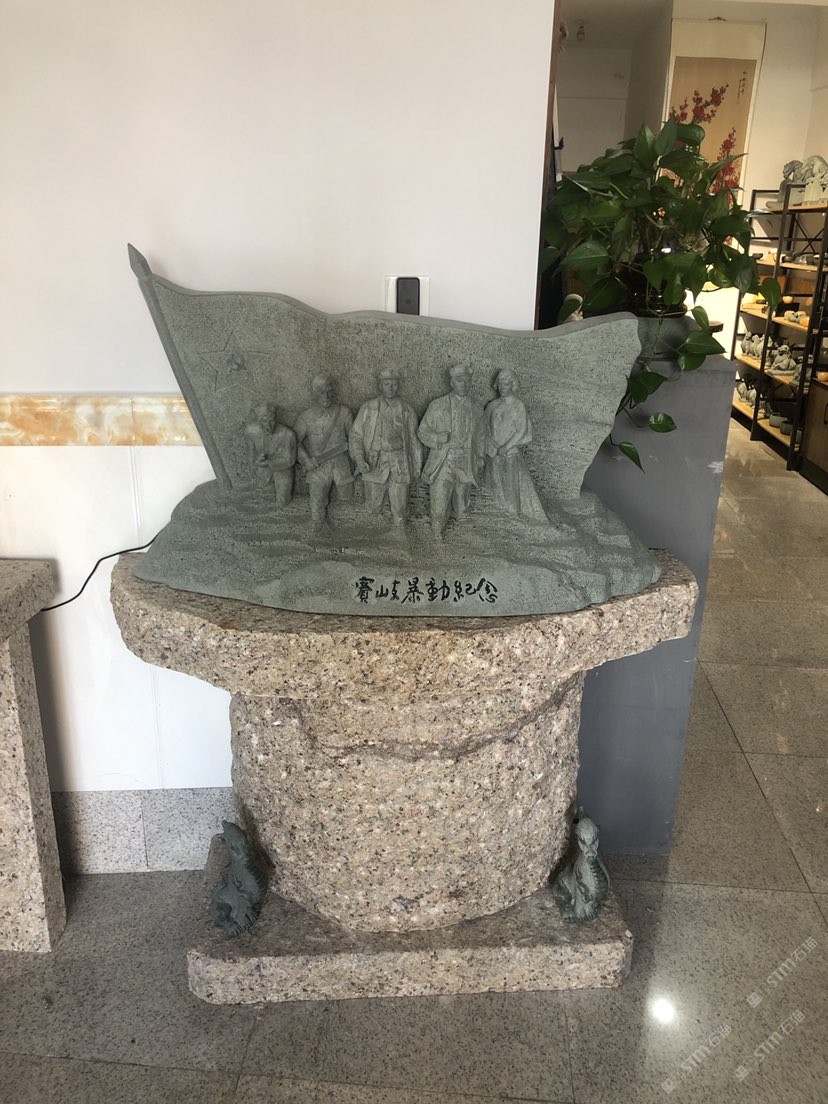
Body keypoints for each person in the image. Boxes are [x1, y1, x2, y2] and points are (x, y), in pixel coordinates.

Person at [417, 364, 487, 539]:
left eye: (467, 381)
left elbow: (481, 435)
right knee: (439, 502)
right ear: (452, 383)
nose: (464, 384)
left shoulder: (477, 409)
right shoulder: (437, 405)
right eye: (459, 380)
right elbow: (422, 431)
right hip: (443, 461)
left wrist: (480, 456)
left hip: (466, 461)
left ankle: (460, 540)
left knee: (462, 503)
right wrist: (436, 438)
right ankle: (437, 536)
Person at [350, 367, 422, 524]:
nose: (391, 388)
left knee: (400, 507)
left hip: (399, 462)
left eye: (394, 384)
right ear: (380, 386)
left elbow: (414, 441)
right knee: (373, 506)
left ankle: (399, 531)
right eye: (387, 384)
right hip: (375, 461)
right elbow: (356, 435)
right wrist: (359, 459)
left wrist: (417, 466)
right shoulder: (368, 408)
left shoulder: (406, 410)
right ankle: (375, 532)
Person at [483, 369, 547, 522]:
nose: (503, 387)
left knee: (511, 485)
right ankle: (496, 515)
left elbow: (521, 430)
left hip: (510, 453)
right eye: (500, 384)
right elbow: (483, 427)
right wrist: (491, 444)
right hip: (493, 452)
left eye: (506, 384)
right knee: (494, 484)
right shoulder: (492, 406)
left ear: (513, 385)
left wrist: (506, 447)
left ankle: (513, 514)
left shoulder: (518, 406)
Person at [293, 376, 354, 528]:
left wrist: (358, 460)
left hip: (341, 464)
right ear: (314, 393)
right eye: (321, 392)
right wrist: (305, 460)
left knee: (347, 495)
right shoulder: (306, 417)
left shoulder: (344, 413)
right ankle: (318, 525)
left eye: (328, 392)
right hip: (318, 466)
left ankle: (345, 526)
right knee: (317, 499)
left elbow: (354, 439)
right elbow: (293, 442)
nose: (326, 396)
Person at [243, 401, 296, 506]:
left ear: (276, 419)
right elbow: (251, 452)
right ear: (259, 421)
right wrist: (256, 462)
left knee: (283, 502)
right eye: (264, 421)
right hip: (263, 468)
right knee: (261, 499)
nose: (268, 425)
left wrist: (269, 463)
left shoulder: (288, 434)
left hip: (282, 468)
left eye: (271, 420)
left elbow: (289, 460)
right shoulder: (251, 431)